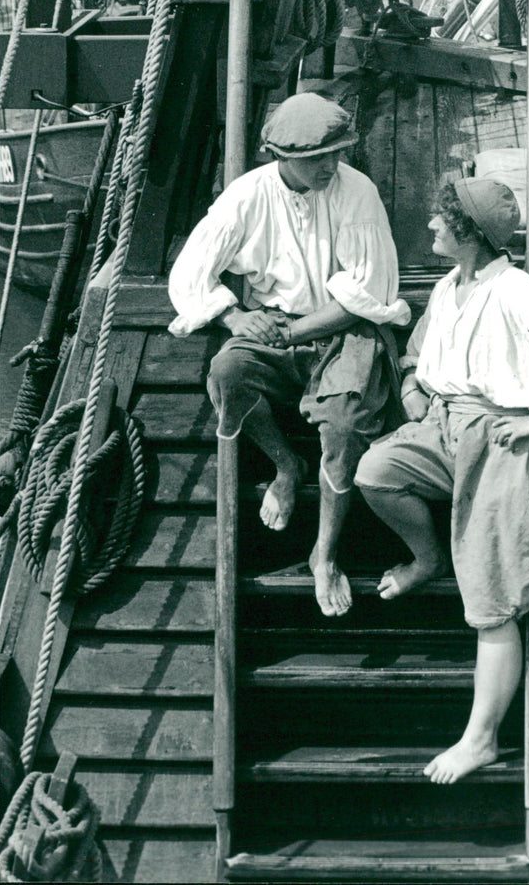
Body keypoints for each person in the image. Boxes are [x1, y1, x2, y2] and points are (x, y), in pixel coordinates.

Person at [355, 178, 529, 783]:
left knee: (490, 595)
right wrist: (412, 388)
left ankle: (480, 739)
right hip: (443, 426)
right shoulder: (446, 287)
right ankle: (428, 557)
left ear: (469, 232)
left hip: (501, 437)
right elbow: (418, 351)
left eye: (440, 219)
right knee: (375, 472)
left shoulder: (512, 287)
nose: (430, 226)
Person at [168, 93, 410, 616]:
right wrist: (234, 317)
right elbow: (189, 274)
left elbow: (364, 292)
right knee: (228, 371)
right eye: (317, 158)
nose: (331, 165)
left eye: (338, 153)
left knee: (343, 420)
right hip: (274, 325)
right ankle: (284, 465)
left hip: (341, 328)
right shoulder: (247, 195)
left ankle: (324, 551)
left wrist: (297, 331)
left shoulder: (357, 192)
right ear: (280, 156)